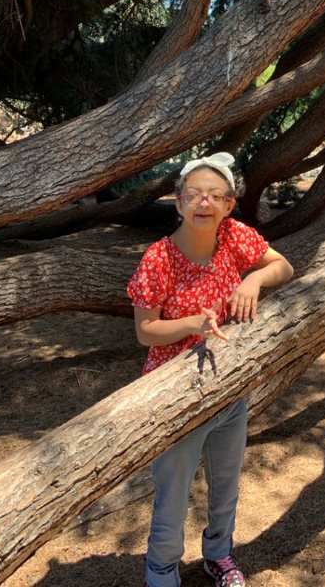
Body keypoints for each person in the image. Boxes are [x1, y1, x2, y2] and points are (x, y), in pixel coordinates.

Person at [127, 152, 294, 587]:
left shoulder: (234, 238)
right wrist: (191, 324)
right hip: (174, 396)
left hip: (229, 388)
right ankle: (161, 571)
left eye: (215, 196)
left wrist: (251, 280)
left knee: (225, 485)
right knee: (173, 495)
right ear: (179, 202)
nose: (204, 203)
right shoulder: (158, 258)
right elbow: (146, 332)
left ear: (228, 205)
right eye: (194, 195)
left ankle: (218, 555)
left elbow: (284, 266)